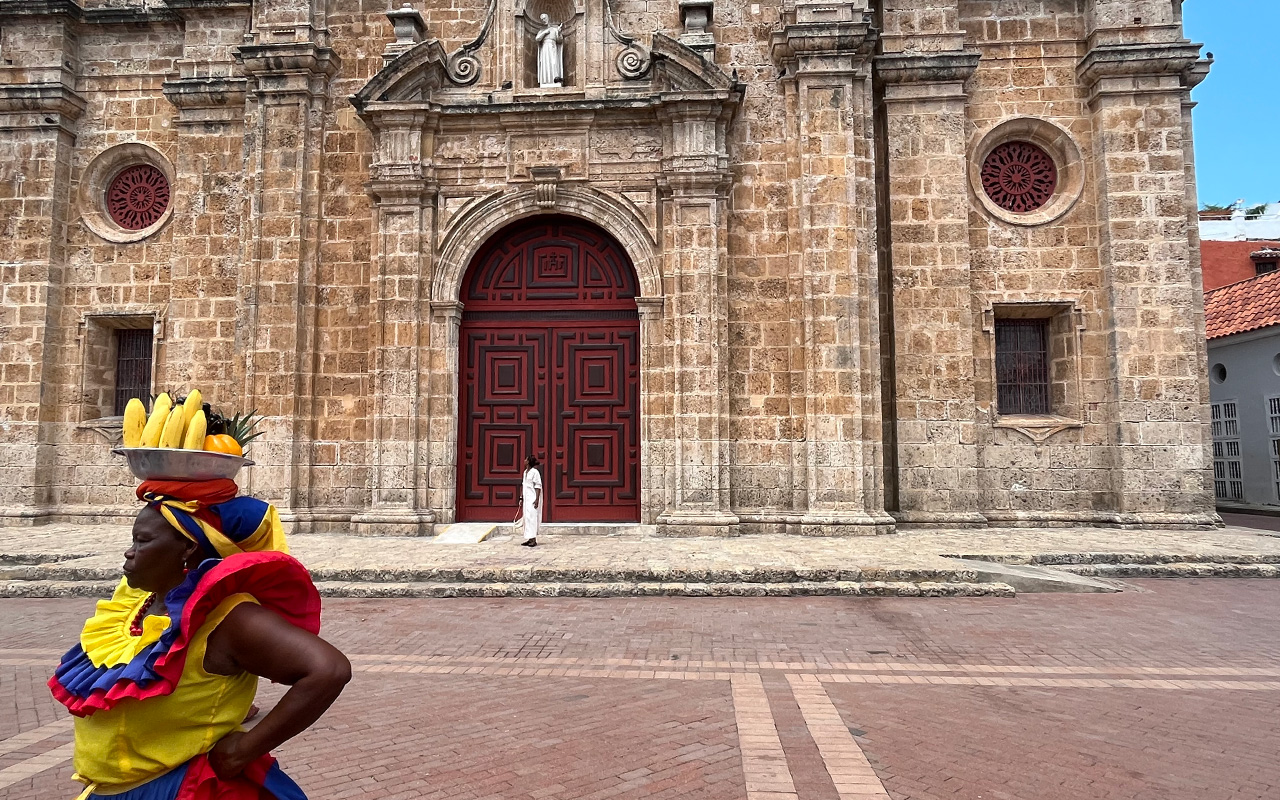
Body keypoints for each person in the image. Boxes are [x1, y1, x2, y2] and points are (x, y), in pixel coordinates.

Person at [49, 478, 351, 799]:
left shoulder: (226, 618)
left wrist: (243, 750)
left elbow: (328, 670)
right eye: (133, 540)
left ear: (188, 547)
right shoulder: (133, 605)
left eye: (143, 540)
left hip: (187, 789)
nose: (130, 551)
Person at [517, 455, 543, 547]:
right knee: (527, 518)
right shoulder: (525, 472)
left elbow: (538, 486)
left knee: (532, 517)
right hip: (526, 498)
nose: (524, 460)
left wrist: (537, 499)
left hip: (532, 498)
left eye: (526, 459)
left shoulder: (535, 472)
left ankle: (533, 539)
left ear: (528, 462)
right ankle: (529, 538)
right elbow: (524, 485)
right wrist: (521, 497)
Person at [535, 13, 564, 88]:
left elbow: (560, 40)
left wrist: (559, 32)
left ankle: (555, 79)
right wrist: (544, 33)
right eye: (542, 19)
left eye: (544, 18)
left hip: (553, 47)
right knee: (545, 63)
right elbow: (537, 39)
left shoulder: (554, 29)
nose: (543, 20)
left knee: (554, 63)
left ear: (548, 18)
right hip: (545, 48)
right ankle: (546, 80)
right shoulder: (541, 31)